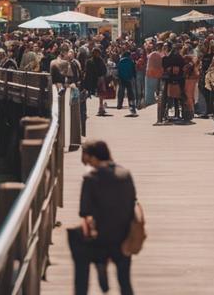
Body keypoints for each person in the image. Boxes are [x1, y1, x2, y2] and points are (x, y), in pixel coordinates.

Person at [75, 140, 137, 295]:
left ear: (92, 156)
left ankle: (103, 280)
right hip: (125, 235)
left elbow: (83, 211)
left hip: (101, 237)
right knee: (125, 281)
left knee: (96, 259)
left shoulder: (90, 179)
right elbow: (133, 201)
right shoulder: (125, 174)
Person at [116, 51, 138, 116]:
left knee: (121, 92)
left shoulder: (120, 61)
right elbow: (133, 70)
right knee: (130, 93)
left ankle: (119, 105)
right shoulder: (131, 61)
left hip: (121, 79)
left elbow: (118, 70)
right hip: (129, 79)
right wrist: (134, 77)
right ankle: (131, 106)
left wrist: (118, 77)